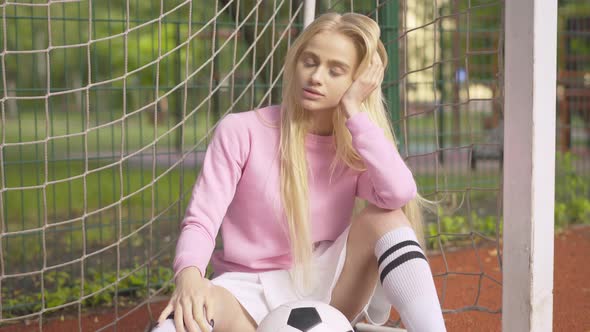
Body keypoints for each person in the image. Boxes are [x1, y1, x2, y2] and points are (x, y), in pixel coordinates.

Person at [153, 12, 446, 332]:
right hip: (244, 291)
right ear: (295, 63)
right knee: (178, 321)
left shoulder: (354, 145)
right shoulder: (240, 131)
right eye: (310, 61)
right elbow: (202, 219)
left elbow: (399, 194)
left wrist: (354, 112)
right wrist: (190, 277)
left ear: (358, 82)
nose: (316, 76)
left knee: (387, 218)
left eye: (336, 70)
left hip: (325, 287)